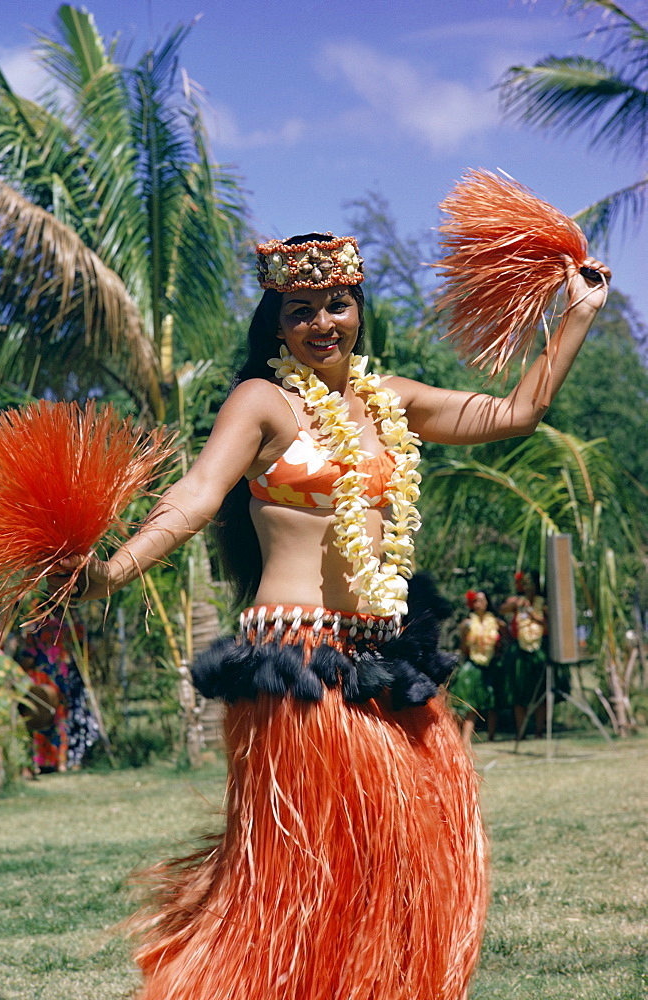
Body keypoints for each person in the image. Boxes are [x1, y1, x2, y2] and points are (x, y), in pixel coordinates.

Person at [50, 232, 609, 1000]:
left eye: (336, 305)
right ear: (276, 325)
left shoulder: (394, 401)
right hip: (297, 662)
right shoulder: (262, 401)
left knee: (405, 857)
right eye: (300, 309)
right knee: (306, 867)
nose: (321, 323)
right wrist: (111, 569)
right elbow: (195, 497)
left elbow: (516, 410)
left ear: (358, 312)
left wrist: (575, 315)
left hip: (382, 659)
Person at [15, 611, 98, 773]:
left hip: (41, 681)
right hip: (62, 679)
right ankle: (60, 762)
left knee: (38, 719)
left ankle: (38, 763)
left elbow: (29, 658)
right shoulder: (67, 627)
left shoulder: (35, 629)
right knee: (60, 719)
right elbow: (88, 648)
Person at [450, 590, 505, 749]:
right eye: (476, 601)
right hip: (473, 665)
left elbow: (505, 639)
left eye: (482, 600)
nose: (479, 603)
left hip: (491, 664)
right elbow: (463, 648)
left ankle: (491, 737)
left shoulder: (495, 622)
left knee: (492, 701)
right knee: (469, 704)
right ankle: (465, 739)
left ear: (487, 602)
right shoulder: (467, 623)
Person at [501, 570, 548, 739]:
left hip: (538, 650)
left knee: (540, 691)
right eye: (526, 583)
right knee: (519, 693)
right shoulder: (518, 602)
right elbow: (502, 610)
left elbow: (549, 626)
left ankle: (539, 731)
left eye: (532, 583)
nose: (529, 587)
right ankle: (521, 732)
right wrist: (515, 603)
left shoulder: (543, 604)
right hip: (520, 651)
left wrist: (535, 616)